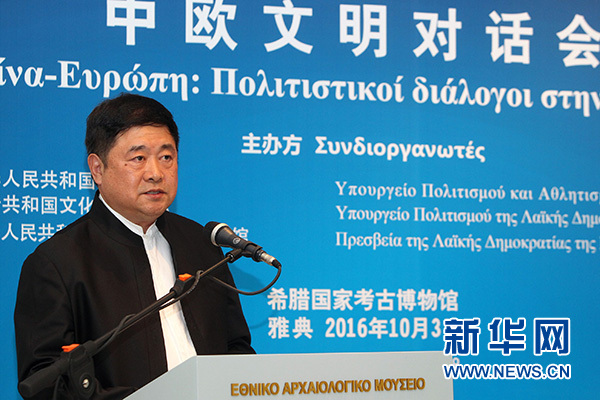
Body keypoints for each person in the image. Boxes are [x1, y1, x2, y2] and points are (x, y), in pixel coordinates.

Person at [14, 93, 255, 399]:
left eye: (166, 157)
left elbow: (236, 347)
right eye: (138, 158)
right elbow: (45, 382)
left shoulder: (201, 245)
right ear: (97, 169)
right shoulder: (56, 263)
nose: (155, 173)